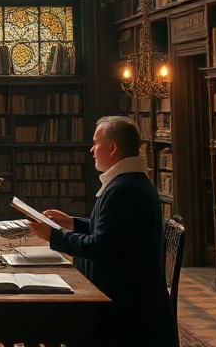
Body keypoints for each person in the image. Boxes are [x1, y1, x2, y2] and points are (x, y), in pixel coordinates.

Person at [26, 116, 175, 347]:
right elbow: (116, 234)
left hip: (121, 307)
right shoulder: (130, 181)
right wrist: (72, 223)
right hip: (132, 294)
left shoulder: (122, 190)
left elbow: (100, 247)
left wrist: (52, 235)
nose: (92, 150)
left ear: (113, 147)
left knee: (46, 315)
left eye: (96, 143)